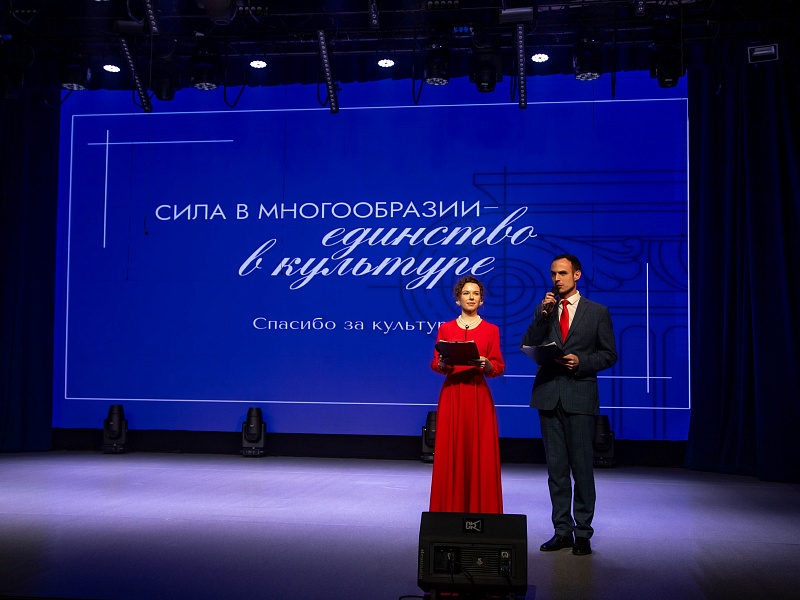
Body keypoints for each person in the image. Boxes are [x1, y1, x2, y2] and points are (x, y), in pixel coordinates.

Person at [521, 253, 617, 555]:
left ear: (577, 275)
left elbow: (609, 354)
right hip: (549, 395)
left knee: (582, 469)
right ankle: (561, 530)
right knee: (557, 470)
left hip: (580, 396)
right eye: (553, 274)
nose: (556, 279)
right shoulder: (546, 310)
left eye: (562, 273)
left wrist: (582, 361)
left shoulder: (597, 312)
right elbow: (529, 342)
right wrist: (542, 315)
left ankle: (583, 533)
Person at [429, 275, 505, 513]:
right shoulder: (446, 328)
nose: (471, 297)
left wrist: (487, 364)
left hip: (477, 395)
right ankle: (448, 512)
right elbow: (436, 363)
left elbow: (498, 366)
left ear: (481, 300)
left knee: (479, 453)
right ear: (458, 299)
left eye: (475, 294)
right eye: (466, 293)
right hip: (452, 395)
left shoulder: (491, 330)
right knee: (450, 452)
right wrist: (442, 362)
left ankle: (480, 511)